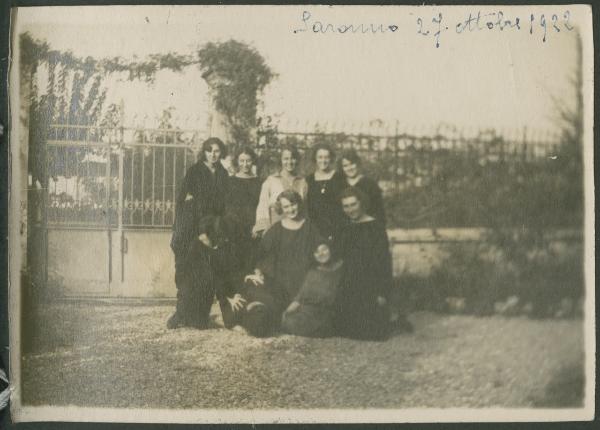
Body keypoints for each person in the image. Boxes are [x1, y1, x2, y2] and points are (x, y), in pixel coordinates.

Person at [168, 137, 229, 329]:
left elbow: (222, 204)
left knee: (207, 272)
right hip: (190, 227)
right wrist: (190, 224)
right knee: (186, 270)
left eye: (217, 150)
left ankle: (200, 315)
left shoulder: (223, 174)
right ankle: (181, 312)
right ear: (204, 152)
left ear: (221, 153)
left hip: (212, 227)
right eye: (209, 150)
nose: (213, 154)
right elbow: (184, 199)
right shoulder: (195, 171)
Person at [247, 190, 323, 321]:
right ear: (281, 209)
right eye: (286, 207)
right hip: (281, 282)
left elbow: (320, 253)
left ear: (299, 204)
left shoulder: (310, 227)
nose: (291, 209)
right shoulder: (276, 229)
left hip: (303, 281)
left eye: (293, 204)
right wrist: (258, 270)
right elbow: (261, 253)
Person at [334, 187, 393, 340]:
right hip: (350, 284)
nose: (350, 210)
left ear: (361, 203)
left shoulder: (375, 227)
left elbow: (384, 261)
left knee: (373, 333)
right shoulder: (344, 227)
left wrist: (382, 292)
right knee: (342, 330)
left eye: (353, 204)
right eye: (346, 206)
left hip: (370, 285)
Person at [281, 241, 343, 338]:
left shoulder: (338, 272)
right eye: (317, 252)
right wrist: (287, 312)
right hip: (305, 313)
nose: (321, 254)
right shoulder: (312, 273)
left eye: (324, 250)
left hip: (324, 315)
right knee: (288, 320)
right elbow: (300, 297)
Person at [253, 145, 308, 236]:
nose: (289, 162)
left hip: (298, 231)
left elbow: (305, 208)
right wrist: (264, 228)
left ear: (297, 160)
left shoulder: (303, 182)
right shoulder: (271, 181)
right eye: (286, 159)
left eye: (293, 158)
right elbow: (263, 206)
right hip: (276, 231)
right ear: (281, 160)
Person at [225, 146, 262, 276]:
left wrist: (258, 227)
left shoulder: (260, 182)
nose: (245, 164)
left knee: (251, 262)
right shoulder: (230, 181)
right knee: (234, 262)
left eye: (248, 161)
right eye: (242, 161)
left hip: (253, 229)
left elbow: (261, 206)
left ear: (253, 161)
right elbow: (227, 206)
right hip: (234, 228)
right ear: (237, 161)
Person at [306, 143, 346, 241]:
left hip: (337, 228)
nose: (323, 161)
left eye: (326, 157)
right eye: (320, 157)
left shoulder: (340, 178)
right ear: (315, 159)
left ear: (331, 159)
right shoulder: (309, 180)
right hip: (315, 229)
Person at [339, 149, 386, 225]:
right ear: (342, 168)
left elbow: (379, 211)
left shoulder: (370, 184)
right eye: (345, 165)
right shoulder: (339, 185)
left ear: (357, 163)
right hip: (345, 228)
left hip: (367, 227)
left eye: (352, 164)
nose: (349, 168)